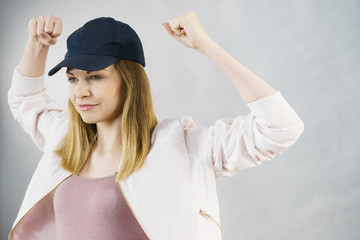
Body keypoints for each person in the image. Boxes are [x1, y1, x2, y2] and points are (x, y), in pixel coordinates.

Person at [7, 10, 304, 240]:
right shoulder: (64, 140)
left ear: (129, 82)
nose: (80, 92)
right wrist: (37, 45)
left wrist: (208, 46)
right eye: (73, 78)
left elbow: (280, 127)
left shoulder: (181, 147)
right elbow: (25, 100)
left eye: (95, 77)